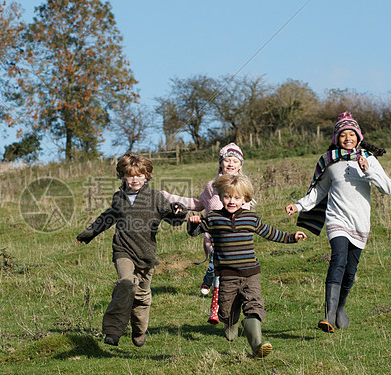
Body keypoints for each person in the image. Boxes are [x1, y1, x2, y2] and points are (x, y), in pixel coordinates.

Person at [285, 111, 391, 333]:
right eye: (343, 135)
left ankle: (340, 307)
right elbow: (320, 190)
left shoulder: (368, 159)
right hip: (337, 219)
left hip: (360, 222)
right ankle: (328, 314)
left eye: (351, 134)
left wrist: (367, 170)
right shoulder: (329, 160)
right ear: (337, 138)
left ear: (358, 137)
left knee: (350, 271)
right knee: (338, 261)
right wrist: (299, 205)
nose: (347, 138)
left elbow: (388, 188)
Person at [187, 174, 306, 357]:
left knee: (254, 306)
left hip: (251, 273)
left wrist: (291, 237)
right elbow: (194, 232)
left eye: (236, 197)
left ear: (245, 199)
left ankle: (258, 345)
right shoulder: (214, 218)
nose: (231, 201)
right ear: (220, 197)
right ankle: (231, 322)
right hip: (227, 274)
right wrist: (192, 223)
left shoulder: (250, 218)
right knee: (226, 310)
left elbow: (270, 232)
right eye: (227, 196)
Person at [77, 153, 186, 347]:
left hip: (146, 254)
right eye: (130, 175)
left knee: (142, 296)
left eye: (139, 175)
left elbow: (172, 217)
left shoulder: (155, 197)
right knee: (126, 284)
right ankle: (113, 331)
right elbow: (107, 217)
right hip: (123, 250)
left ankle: (139, 329)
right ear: (122, 176)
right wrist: (88, 234)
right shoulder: (118, 197)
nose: (135, 179)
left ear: (147, 176)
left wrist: (180, 211)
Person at [160, 143, 254, 324]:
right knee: (218, 273)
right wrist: (170, 198)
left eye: (235, 161)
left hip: (236, 242)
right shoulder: (212, 186)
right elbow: (197, 204)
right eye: (227, 160)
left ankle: (229, 312)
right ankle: (215, 310)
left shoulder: (244, 187)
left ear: (240, 165)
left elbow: (247, 214)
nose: (231, 164)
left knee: (231, 278)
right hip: (213, 240)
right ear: (220, 163)